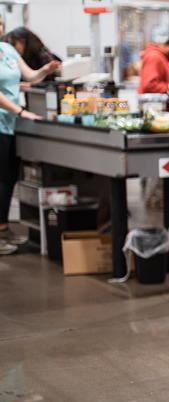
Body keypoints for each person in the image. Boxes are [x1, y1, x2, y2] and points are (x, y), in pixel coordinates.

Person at [0, 16, 61, 255]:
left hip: (10, 123)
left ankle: (3, 228)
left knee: (9, 178)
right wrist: (21, 111)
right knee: (1, 178)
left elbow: (29, 76)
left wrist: (45, 70)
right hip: (7, 119)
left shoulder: (7, 50)